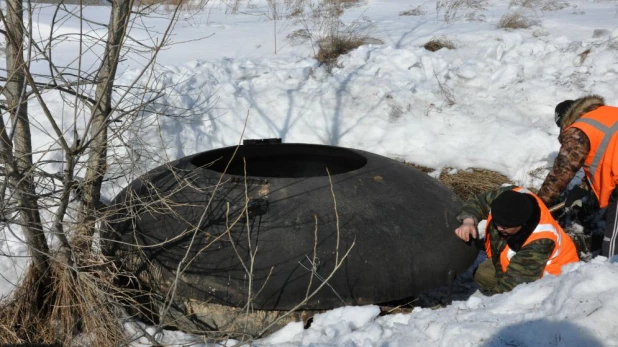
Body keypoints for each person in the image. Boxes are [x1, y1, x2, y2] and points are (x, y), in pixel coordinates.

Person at [454, 186, 579, 294]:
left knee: (485, 276)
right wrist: (468, 221)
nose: (498, 228)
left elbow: (512, 289)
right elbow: (479, 202)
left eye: (505, 227)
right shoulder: (510, 196)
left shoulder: (539, 243)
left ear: (522, 225)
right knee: (483, 274)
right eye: (497, 222)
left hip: (549, 283)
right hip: (518, 263)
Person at [538, 95, 618, 258]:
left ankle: (609, 279)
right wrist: (581, 189)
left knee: (612, 247)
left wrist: (538, 204)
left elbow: (561, 173)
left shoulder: (579, 129)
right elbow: (603, 161)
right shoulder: (607, 114)